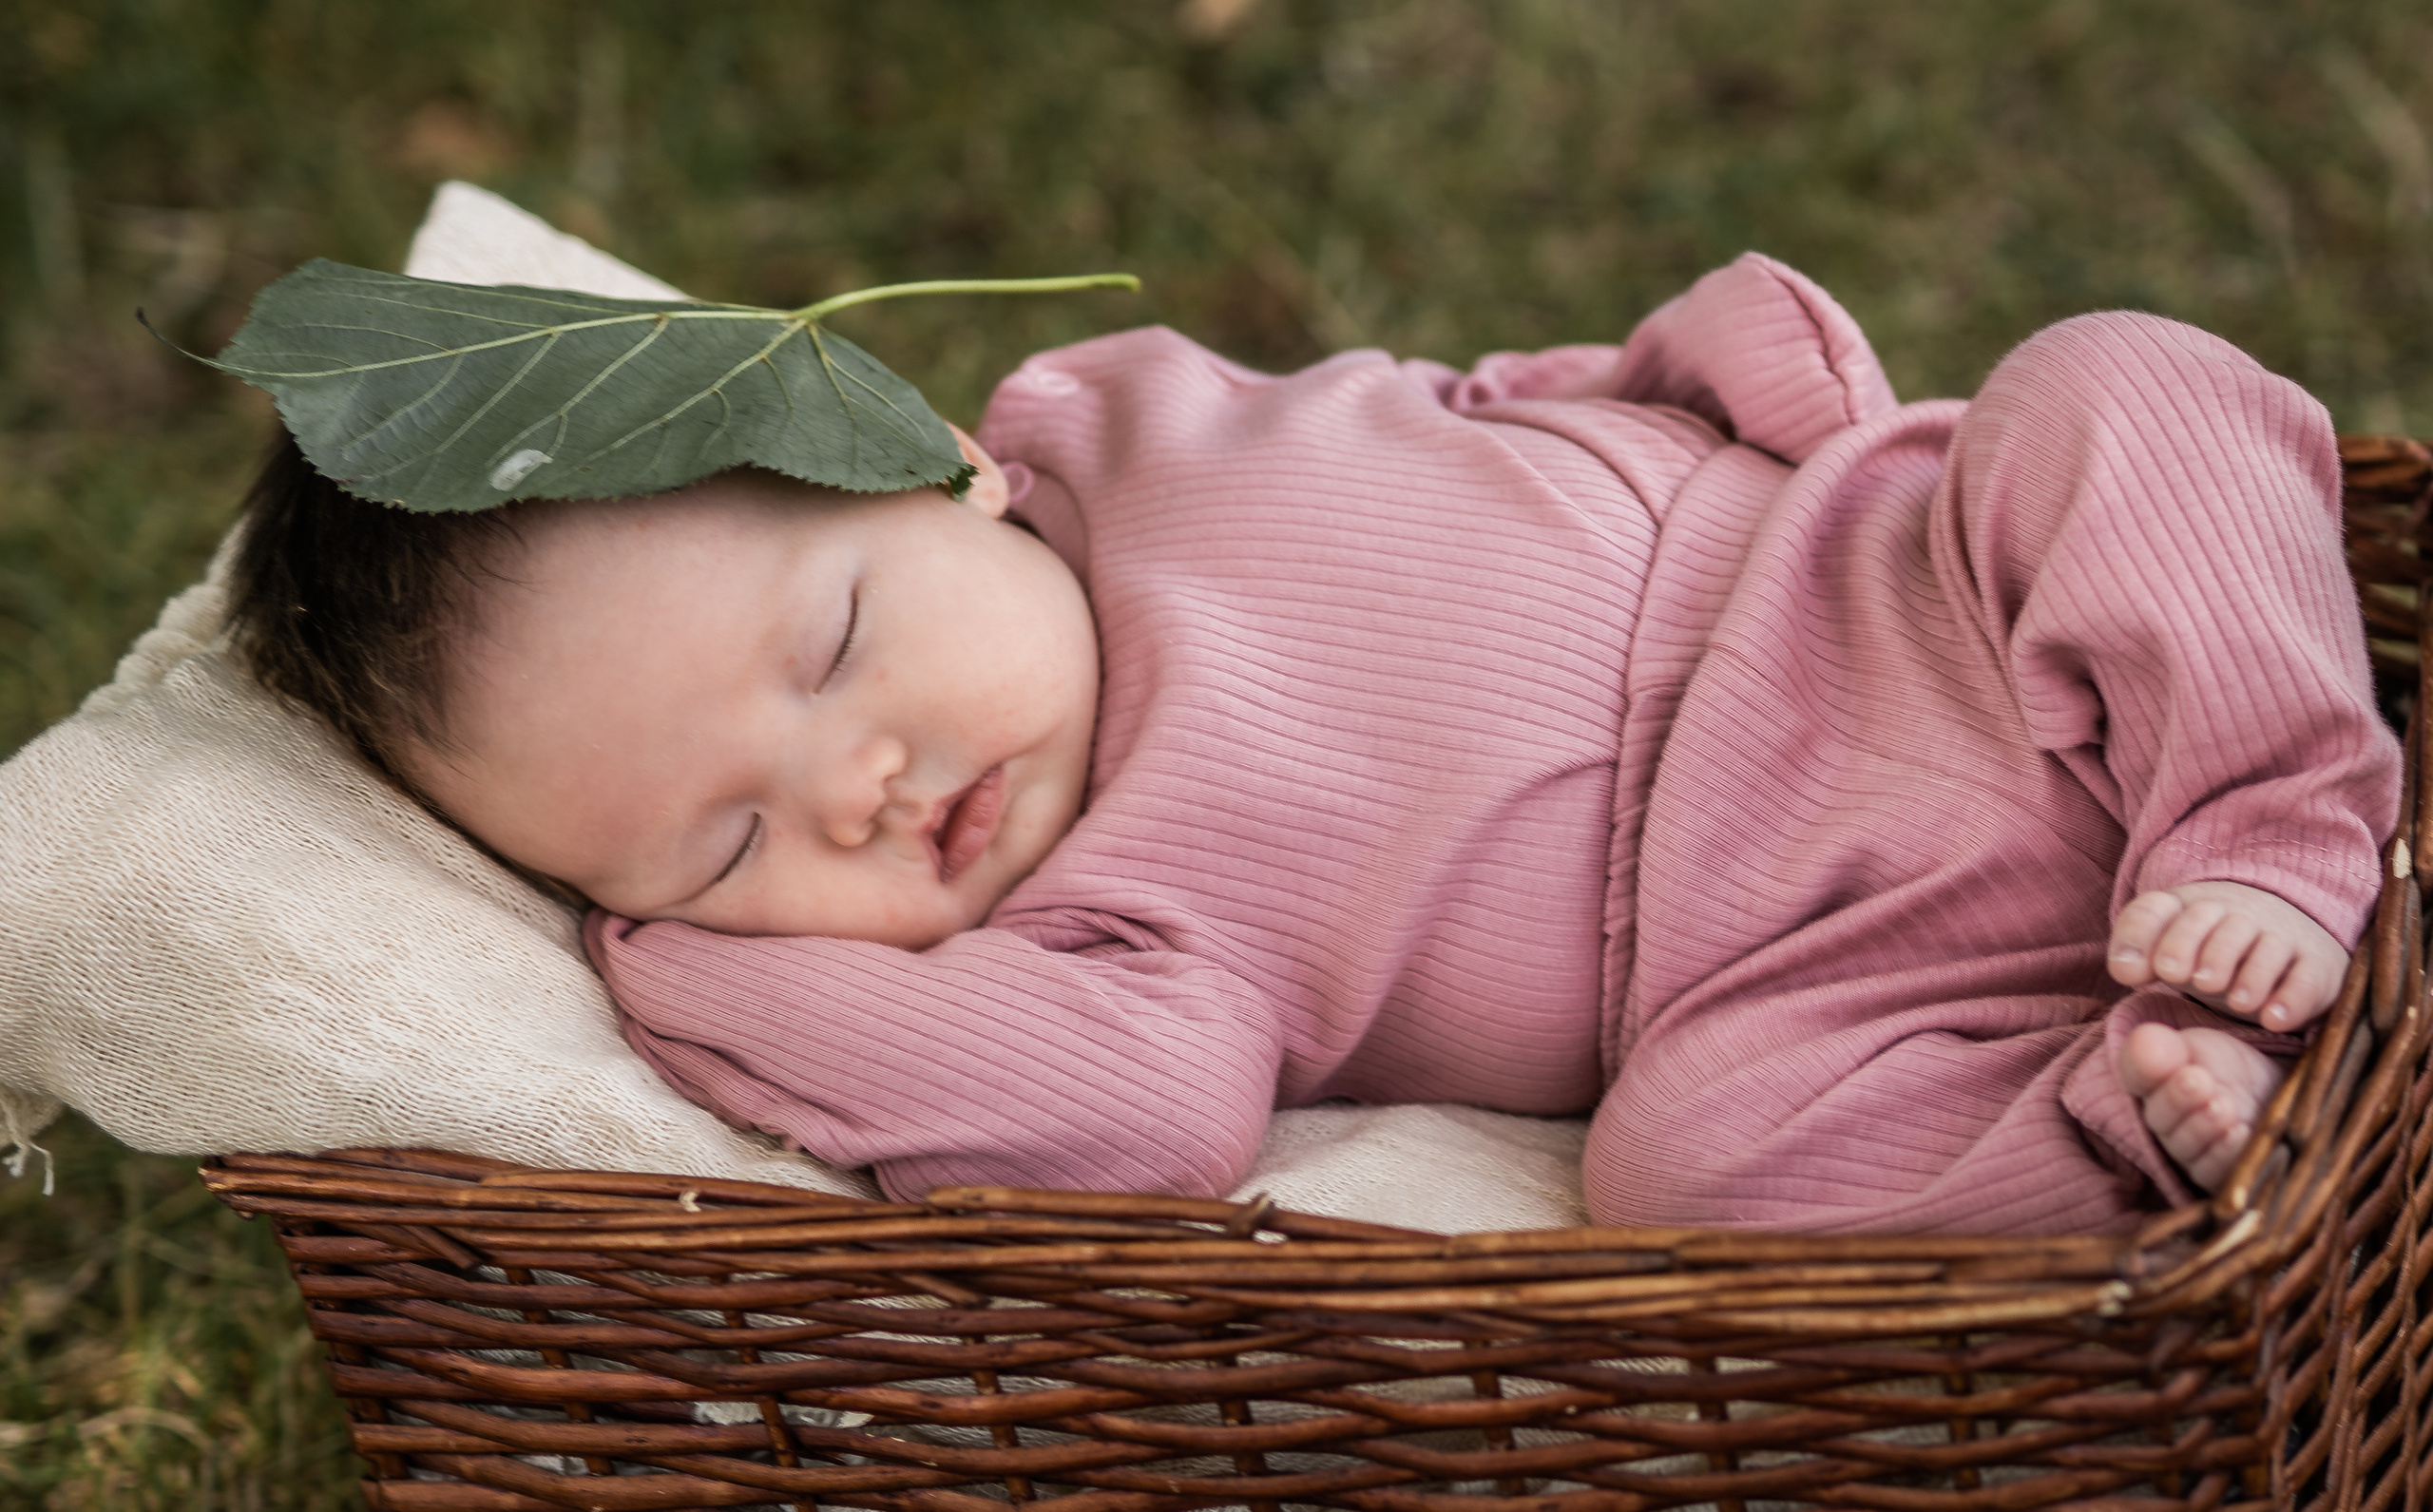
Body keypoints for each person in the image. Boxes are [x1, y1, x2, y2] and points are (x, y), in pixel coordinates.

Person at [226, 253, 2400, 1234]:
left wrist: (1707, 382)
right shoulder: (1093, 937)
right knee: (1685, 1178)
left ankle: (2266, 831)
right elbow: (1138, 1123)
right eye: (727, 845)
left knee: (2114, 382)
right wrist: (678, 967)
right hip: (1786, 974)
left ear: (928, 463)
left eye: (840, 647)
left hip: (1892, 589)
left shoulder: (1120, 415)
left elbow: (1459, 404)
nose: (856, 787)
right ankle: (2127, 1106)